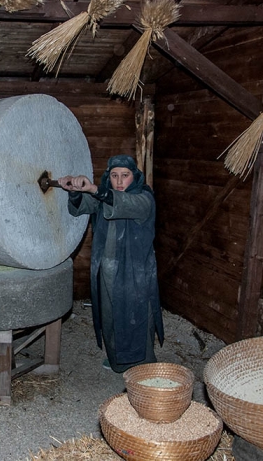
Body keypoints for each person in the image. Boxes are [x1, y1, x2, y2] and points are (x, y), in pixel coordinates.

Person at [58, 155, 164, 373]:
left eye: (125, 176)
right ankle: (119, 359)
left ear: (134, 177)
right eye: (114, 176)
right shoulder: (102, 198)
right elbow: (79, 208)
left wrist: (95, 189)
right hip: (107, 269)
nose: (119, 181)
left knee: (138, 315)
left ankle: (143, 364)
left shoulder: (144, 198)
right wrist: (75, 190)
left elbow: (124, 203)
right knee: (110, 315)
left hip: (135, 271)